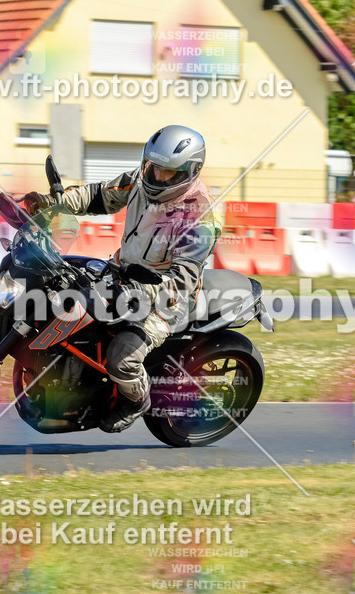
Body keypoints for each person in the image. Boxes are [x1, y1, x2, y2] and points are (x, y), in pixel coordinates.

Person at [23, 125, 220, 433]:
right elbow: (101, 195)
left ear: (189, 172)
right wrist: (55, 204)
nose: (156, 177)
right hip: (120, 272)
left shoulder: (200, 218)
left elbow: (182, 280)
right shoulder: (142, 180)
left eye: (166, 173)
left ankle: (136, 401)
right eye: (151, 167)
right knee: (60, 291)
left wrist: (142, 293)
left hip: (165, 302)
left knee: (121, 359)